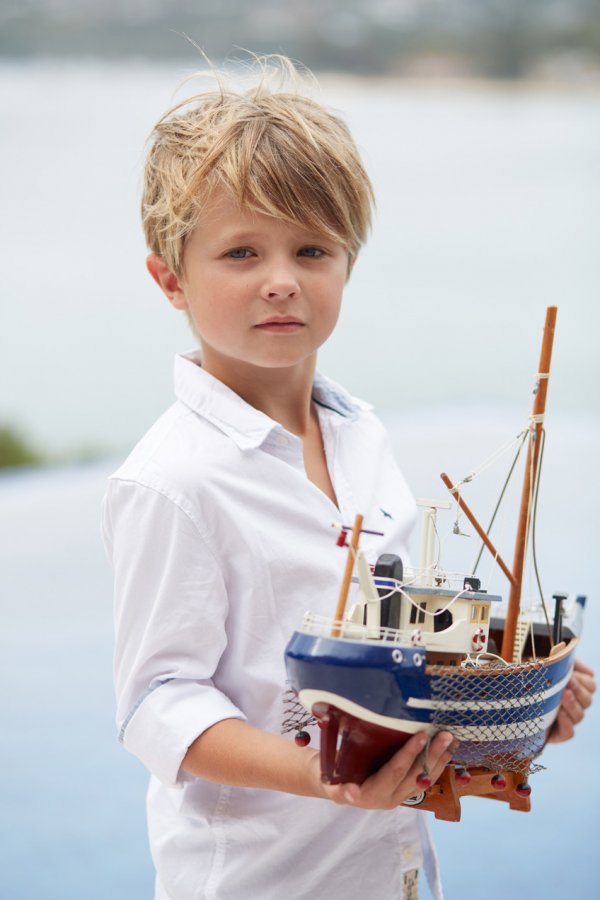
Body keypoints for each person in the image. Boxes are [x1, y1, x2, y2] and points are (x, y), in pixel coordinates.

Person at [102, 57, 595, 900]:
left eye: (312, 249)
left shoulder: (362, 435)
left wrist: (506, 712)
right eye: (241, 252)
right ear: (170, 277)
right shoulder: (172, 481)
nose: (282, 280)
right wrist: (318, 773)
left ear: (348, 265)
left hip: (394, 874)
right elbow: (156, 703)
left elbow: (405, 638)